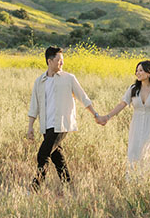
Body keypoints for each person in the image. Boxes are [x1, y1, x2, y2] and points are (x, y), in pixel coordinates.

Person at [26, 46, 101, 192]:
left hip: (61, 124)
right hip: (46, 124)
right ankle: (68, 186)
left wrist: (96, 115)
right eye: (59, 60)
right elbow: (34, 105)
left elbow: (83, 98)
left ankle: (35, 188)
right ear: (49, 61)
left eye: (62, 61)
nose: (62, 63)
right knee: (57, 156)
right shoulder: (40, 81)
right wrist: (30, 127)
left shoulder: (69, 78)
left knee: (43, 154)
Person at [100, 60, 150, 179]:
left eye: (141, 70)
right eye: (137, 70)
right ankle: (131, 181)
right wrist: (107, 117)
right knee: (133, 152)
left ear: (149, 73)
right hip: (136, 125)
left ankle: (143, 182)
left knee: (146, 154)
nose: (137, 73)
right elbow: (122, 104)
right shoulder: (133, 89)